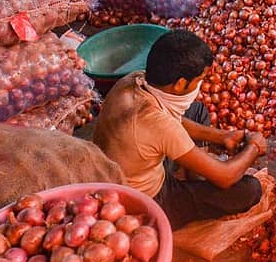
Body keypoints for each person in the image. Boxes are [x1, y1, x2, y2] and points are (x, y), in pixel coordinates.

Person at [93, 29, 265, 228]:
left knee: (197, 110)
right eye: (199, 79)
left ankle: (196, 171)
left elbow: (170, 122)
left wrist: (222, 136)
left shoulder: (133, 80)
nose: (201, 84)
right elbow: (225, 177)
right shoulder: (159, 124)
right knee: (249, 190)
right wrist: (254, 148)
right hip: (145, 201)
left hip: (127, 163)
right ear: (180, 83)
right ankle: (195, 180)